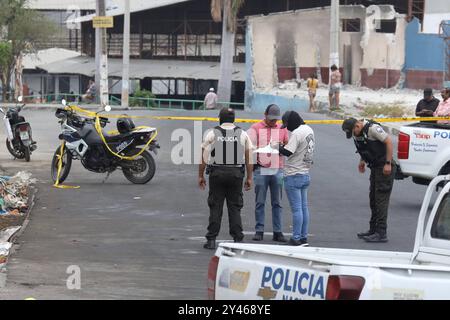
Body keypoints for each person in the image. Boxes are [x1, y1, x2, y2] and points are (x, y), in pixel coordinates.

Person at [199, 108, 253, 250]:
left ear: (220, 119)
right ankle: (237, 239)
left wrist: (200, 176)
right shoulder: (242, 133)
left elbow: (204, 157)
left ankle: (211, 240)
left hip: (217, 173)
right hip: (236, 174)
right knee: (234, 207)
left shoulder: (212, 133)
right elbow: (249, 158)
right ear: (234, 119)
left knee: (215, 206)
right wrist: (249, 178)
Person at [342, 118, 395, 243]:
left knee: (381, 200)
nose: (353, 134)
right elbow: (364, 147)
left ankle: (381, 233)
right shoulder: (359, 133)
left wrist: (388, 163)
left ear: (357, 125)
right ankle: (373, 229)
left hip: (384, 168)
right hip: (375, 167)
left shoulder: (373, 129)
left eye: (352, 131)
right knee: (373, 199)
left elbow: (389, 142)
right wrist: (362, 161)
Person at [271, 111, 315, 247]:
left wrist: (276, 146)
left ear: (292, 122)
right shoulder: (309, 130)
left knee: (296, 209)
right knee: (303, 208)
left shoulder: (297, 133)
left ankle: (295, 238)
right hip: (305, 173)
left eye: (287, 124)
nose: (287, 128)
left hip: (293, 174)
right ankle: (303, 237)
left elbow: (287, 151)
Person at [247, 104, 289, 243]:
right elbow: (249, 149)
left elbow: (288, 148)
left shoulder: (282, 129)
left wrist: (280, 147)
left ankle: (278, 231)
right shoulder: (255, 128)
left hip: (278, 169)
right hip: (261, 169)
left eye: (275, 120)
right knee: (260, 202)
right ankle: (259, 230)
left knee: (277, 202)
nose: (273, 122)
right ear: (265, 114)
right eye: (271, 119)